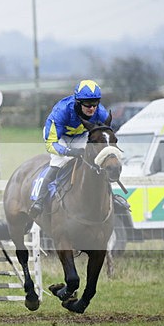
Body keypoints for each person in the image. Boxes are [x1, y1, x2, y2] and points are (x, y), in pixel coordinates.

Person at [28, 79, 111, 220]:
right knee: (59, 162)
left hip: (80, 135)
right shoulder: (61, 111)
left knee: (95, 161)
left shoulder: (101, 113)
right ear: (78, 102)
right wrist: (69, 152)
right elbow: (51, 144)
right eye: (87, 104)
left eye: (95, 103)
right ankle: (39, 201)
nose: (92, 108)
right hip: (58, 138)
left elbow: (104, 136)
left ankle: (112, 197)